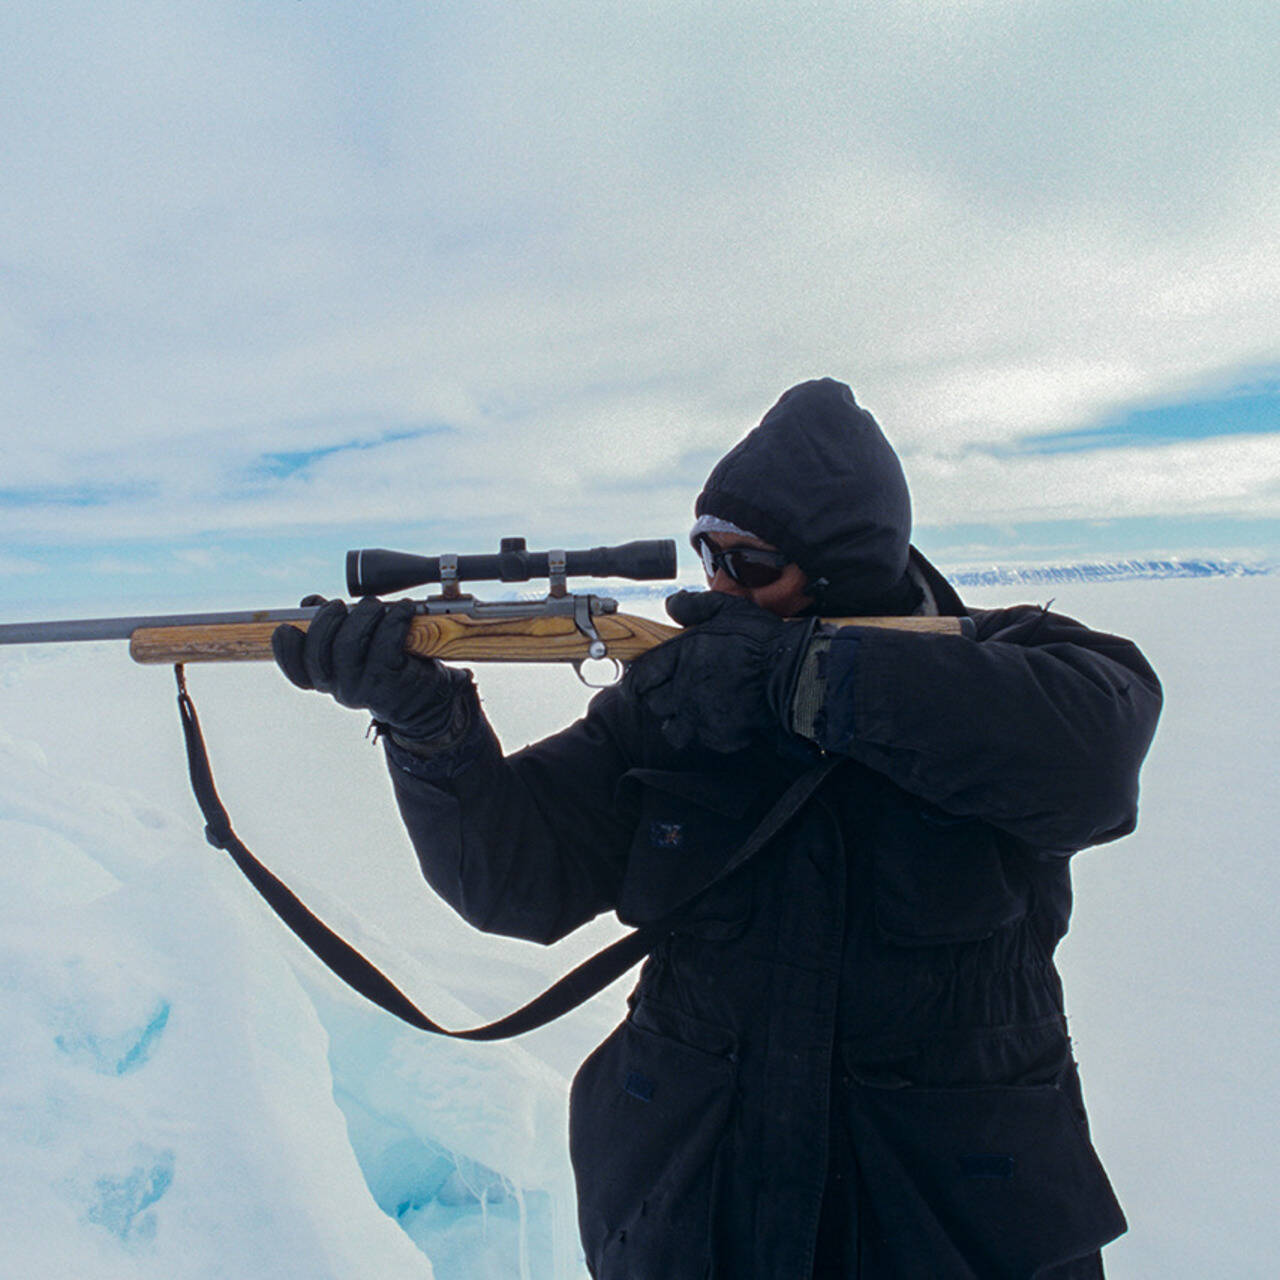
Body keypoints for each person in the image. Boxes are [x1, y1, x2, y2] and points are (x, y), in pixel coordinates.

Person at [273, 378, 1162, 1279]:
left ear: (844, 562)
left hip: (942, 1220)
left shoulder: (1011, 663)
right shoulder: (682, 699)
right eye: (710, 557)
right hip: (695, 1209)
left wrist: (802, 681)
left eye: (753, 564)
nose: (722, 588)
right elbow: (514, 881)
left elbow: (1095, 758)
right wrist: (431, 729)